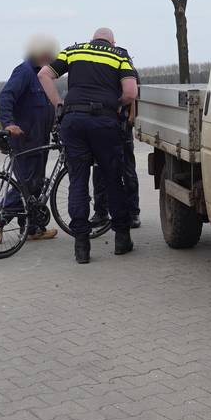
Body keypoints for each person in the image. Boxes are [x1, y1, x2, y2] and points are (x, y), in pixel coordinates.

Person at [37, 28, 137, 264]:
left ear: (92, 39)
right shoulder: (118, 55)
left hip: (74, 121)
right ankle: (122, 239)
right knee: (113, 178)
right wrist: (117, 103)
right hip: (104, 122)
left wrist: (59, 104)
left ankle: (81, 246)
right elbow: (131, 92)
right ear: (111, 41)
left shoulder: (74, 50)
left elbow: (44, 75)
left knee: (78, 180)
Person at [0, 35, 59, 243]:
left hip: (40, 140)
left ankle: (32, 228)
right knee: (26, 184)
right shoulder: (24, 72)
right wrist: (9, 124)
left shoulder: (42, 75)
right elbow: (6, 97)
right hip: (25, 140)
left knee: (36, 185)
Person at [92, 65, 140, 229]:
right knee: (99, 170)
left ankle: (133, 212)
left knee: (127, 171)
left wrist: (131, 117)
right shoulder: (96, 69)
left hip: (122, 124)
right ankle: (101, 212)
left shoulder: (126, 68)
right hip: (102, 123)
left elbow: (133, 96)